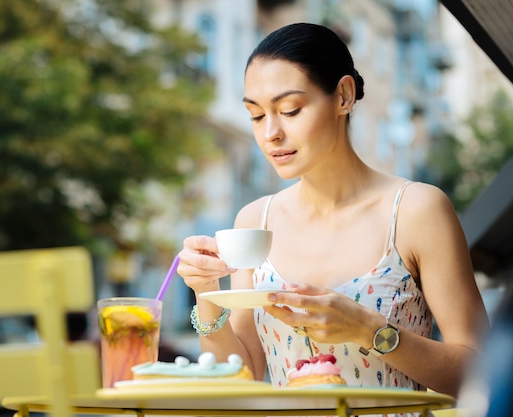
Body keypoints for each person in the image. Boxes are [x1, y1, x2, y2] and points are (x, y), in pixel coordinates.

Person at [177, 22, 488, 397]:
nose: (270, 132)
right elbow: (242, 376)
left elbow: (483, 371)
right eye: (257, 116)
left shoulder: (414, 211)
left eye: (290, 110)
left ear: (343, 95)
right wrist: (205, 291)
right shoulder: (254, 221)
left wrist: (370, 332)